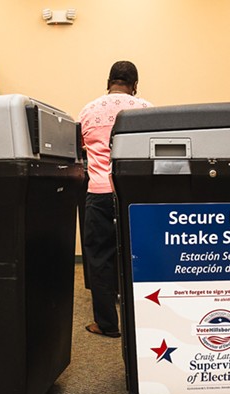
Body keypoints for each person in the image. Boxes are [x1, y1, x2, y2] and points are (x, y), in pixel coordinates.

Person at [78, 61, 152, 338]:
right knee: (140, 256)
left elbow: (82, 151)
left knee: (99, 258)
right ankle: (144, 321)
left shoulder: (88, 109)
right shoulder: (146, 109)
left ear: (108, 83)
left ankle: (107, 324)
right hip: (134, 196)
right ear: (135, 86)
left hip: (98, 193)